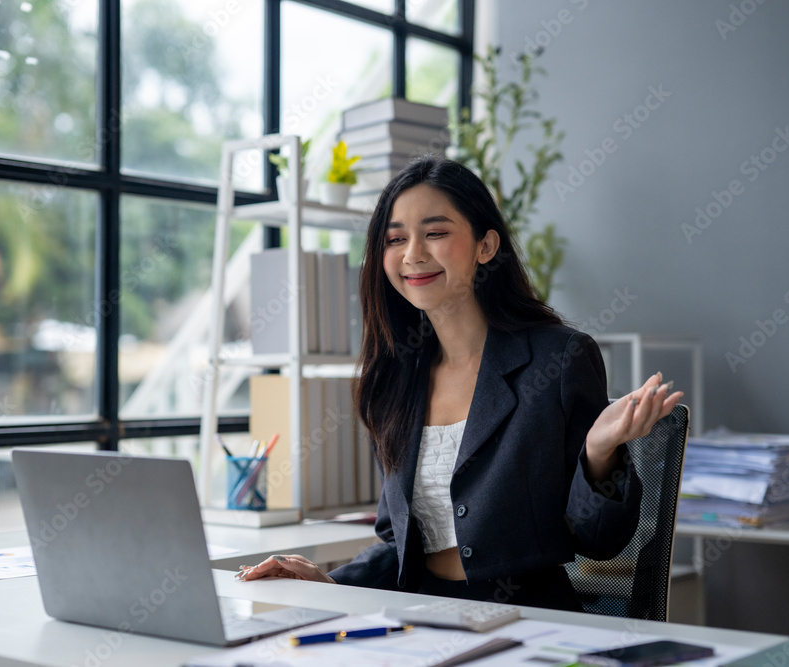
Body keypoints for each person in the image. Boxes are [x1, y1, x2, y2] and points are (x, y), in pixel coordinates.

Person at [238, 155, 683, 611]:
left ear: (485, 246)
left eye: (435, 233)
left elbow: (601, 540)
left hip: (525, 620)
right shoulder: (392, 377)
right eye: (396, 238)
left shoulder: (559, 358)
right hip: (419, 618)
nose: (412, 253)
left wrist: (599, 452)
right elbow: (401, 545)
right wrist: (329, 581)